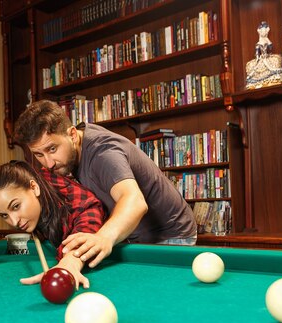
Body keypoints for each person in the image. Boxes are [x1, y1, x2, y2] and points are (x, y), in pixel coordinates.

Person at [13, 100, 197, 268]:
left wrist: (103, 237)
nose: (49, 163)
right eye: (39, 155)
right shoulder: (68, 156)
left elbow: (134, 201)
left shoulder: (104, 153)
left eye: (52, 149)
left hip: (172, 236)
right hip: (134, 238)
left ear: (72, 135)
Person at [0, 160, 105, 288]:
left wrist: (70, 263)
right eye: (4, 215)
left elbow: (86, 225)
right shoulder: (36, 205)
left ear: (34, 188)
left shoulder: (73, 200)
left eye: (16, 206)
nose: (14, 222)